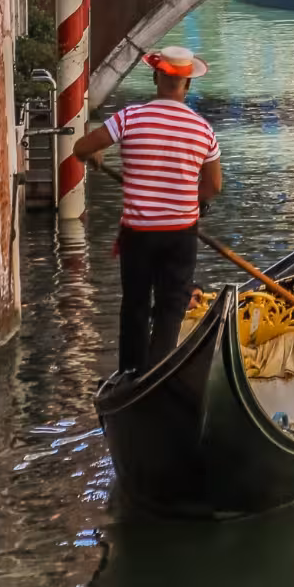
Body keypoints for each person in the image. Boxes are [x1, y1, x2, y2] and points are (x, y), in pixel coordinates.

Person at [72, 45, 222, 375]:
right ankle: (158, 373)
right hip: (181, 233)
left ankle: (131, 374)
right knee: (172, 306)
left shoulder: (129, 118)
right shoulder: (203, 130)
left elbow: (80, 147)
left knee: (135, 305)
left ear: (156, 77)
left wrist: (93, 154)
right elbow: (213, 185)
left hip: (138, 233)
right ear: (187, 84)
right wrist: (192, 201)